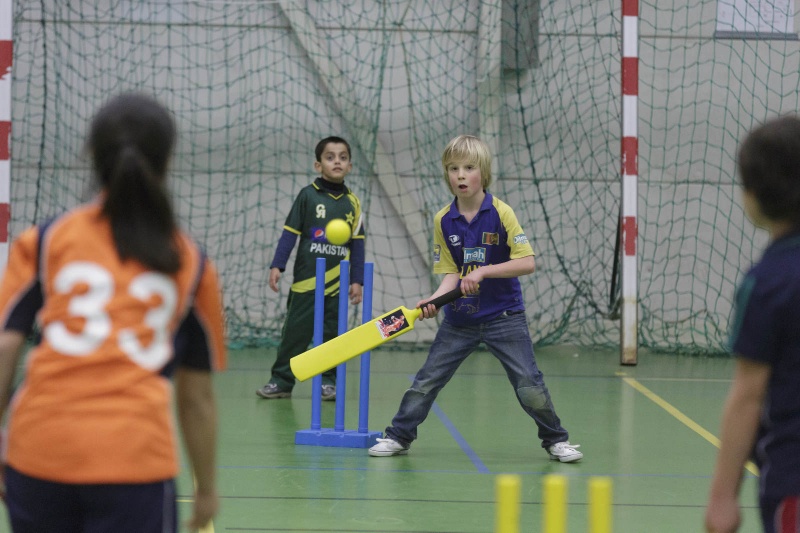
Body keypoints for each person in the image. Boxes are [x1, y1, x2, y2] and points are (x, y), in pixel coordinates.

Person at [0, 93, 227, 532]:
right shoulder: (191, 263)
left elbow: (6, 346)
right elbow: (196, 398)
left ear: (92, 155)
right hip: (134, 460)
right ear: (167, 161)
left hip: (40, 451)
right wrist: (206, 489)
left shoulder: (47, 240)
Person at [368, 135, 582, 463]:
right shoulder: (443, 220)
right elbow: (451, 273)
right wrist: (434, 301)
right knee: (426, 381)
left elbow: (528, 262)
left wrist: (484, 272)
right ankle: (398, 436)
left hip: (504, 317)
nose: (461, 175)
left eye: (469, 168)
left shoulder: (501, 213)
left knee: (528, 383)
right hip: (460, 321)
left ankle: (555, 440)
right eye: (453, 169)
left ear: (483, 172)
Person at [705, 115, 800, 533]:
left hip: (792, 479)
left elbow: (748, 396)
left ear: (753, 195)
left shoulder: (767, 282)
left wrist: (723, 496)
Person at [256, 136, 365, 401]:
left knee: (332, 335)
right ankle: (281, 380)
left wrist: (357, 280)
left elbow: (358, 246)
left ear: (349, 165)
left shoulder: (353, 203)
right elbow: (289, 234)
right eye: (330, 157)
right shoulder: (307, 195)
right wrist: (277, 265)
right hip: (306, 281)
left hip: (337, 283)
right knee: (295, 333)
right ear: (318, 165)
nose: (336, 161)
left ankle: (329, 382)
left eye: (342, 157)